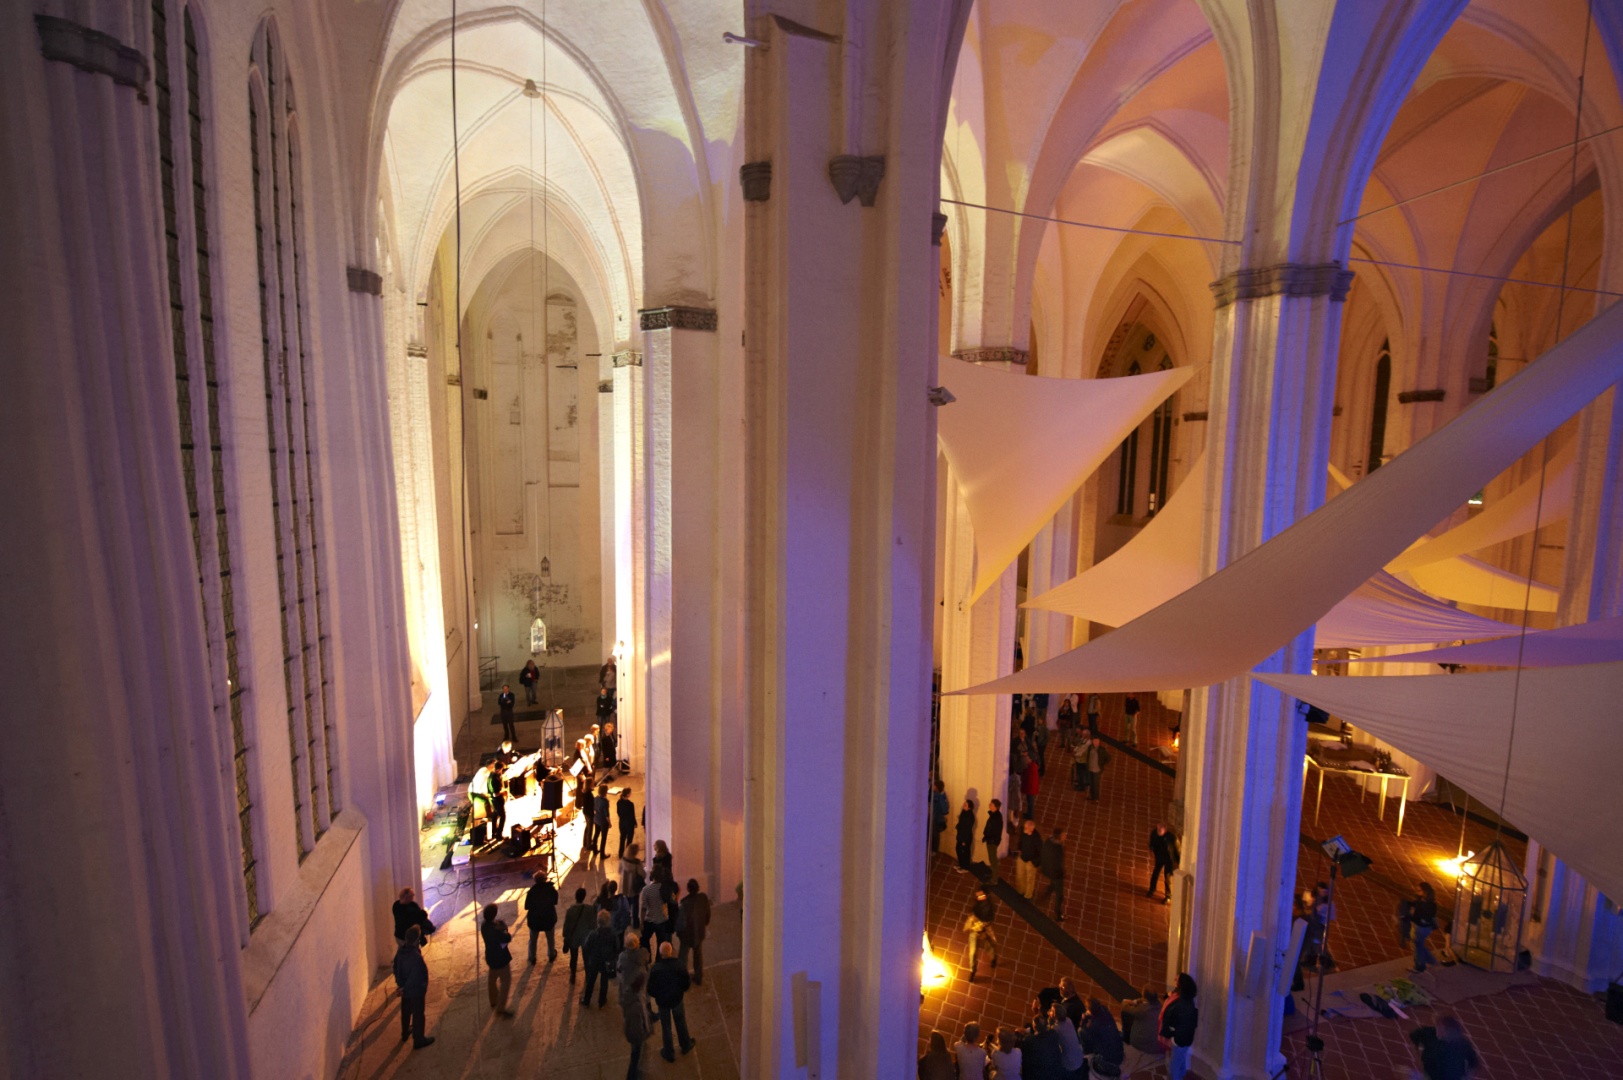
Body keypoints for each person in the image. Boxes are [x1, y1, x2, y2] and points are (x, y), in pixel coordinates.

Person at [647, 940, 697, 1061]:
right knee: (681, 1022)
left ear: (660, 954)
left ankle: (669, 1052)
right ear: (671, 952)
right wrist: (681, 991)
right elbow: (686, 982)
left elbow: (650, 988)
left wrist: (658, 995)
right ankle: (685, 1044)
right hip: (676, 999)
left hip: (663, 1002)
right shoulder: (679, 965)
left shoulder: (656, 969)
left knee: (666, 1027)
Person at [391, 925, 435, 1049]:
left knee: (405, 1011)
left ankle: (405, 1032)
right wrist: (404, 987)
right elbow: (416, 976)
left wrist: (400, 984)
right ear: (416, 940)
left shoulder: (400, 951)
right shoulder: (416, 958)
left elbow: (395, 967)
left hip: (405, 990)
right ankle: (419, 1039)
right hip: (415, 990)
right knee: (418, 1014)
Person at [617, 933, 651, 1079]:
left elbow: (619, 969)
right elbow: (647, 956)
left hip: (630, 999)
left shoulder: (623, 957)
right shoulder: (642, 957)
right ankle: (632, 1073)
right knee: (636, 1048)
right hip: (637, 1013)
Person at [1410, 1013, 1481, 1080]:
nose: (1440, 1031)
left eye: (1444, 1029)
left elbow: (1473, 1063)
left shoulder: (1462, 1044)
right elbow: (1415, 1038)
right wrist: (1417, 1059)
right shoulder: (1430, 1034)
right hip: (1430, 1075)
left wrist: (1466, 1078)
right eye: (1438, 1027)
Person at [1159, 973, 1198, 1080]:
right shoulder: (1182, 997)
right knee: (1179, 1062)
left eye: (1176, 980)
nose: (1174, 980)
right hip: (1179, 1038)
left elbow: (1183, 1024)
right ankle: (1180, 1076)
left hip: (1179, 1040)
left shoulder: (1184, 1004)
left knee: (1173, 1067)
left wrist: (1174, 1038)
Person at [480, 904, 514, 1018]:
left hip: (491, 957)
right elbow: (507, 938)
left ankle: (493, 1000)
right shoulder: (496, 931)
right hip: (501, 958)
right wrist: (504, 929)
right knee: (506, 982)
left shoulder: (484, 926)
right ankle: (501, 1008)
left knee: (492, 979)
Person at [580, 910, 618, 1007]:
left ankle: (587, 1000)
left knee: (591, 981)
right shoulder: (612, 935)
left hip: (594, 960)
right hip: (606, 961)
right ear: (609, 921)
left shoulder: (593, 934)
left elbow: (586, 946)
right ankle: (602, 1000)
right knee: (604, 981)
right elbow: (616, 948)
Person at [678, 878, 711, 983]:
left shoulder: (685, 904)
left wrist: (679, 933)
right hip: (699, 932)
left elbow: (681, 922)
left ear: (688, 889)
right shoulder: (703, 898)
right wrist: (703, 925)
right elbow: (707, 914)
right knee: (698, 956)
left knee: (683, 957)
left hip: (687, 935)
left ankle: (683, 979)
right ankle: (698, 977)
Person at [964, 884, 999, 983]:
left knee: (989, 946)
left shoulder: (990, 906)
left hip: (984, 929)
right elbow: (973, 910)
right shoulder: (978, 901)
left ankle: (993, 958)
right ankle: (973, 971)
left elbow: (990, 919)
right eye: (978, 895)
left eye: (981, 895)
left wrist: (982, 925)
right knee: (973, 951)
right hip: (975, 930)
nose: (979, 896)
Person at [525, 870, 559, 964]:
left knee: (533, 939)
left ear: (535, 880)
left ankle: (532, 957)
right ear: (545, 879)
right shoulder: (551, 889)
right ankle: (551, 954)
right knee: (550, 938)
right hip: (548, 918)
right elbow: (555, 901)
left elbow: (527, 906)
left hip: (535, 919)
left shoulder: (531, 891)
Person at [1082, 998, 1125, 1070]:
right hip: (1119, 1049)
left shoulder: (1094, 1025)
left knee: (1081, 1031)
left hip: (1108, 1057)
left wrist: (1084, 1020)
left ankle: (1088, 1053)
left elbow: (1086, 1030)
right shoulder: (1104, 1009)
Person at [562, 886, 594, 981]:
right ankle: (588, 974)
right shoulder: (589, 909)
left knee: (573, 957)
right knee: (586, 957)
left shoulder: (570, 911)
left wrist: (565, 935)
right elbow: (593, 925)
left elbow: (566, 925)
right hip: (585, 937)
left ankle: (573, 975)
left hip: (573, 937)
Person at [1020, 1012, 1065, 1079]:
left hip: (1038, 1075)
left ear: (1034, 1027)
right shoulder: (1053, 1034)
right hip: (1054, 1072)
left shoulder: (1029, 1041)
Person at [1119, 987, 1162, 1055]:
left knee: (1125, 1014)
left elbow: (1125, 1007)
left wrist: (1125, 1002)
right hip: (1157, 1043)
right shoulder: (1160, 1003)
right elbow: (1146, 1000)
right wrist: (1136, 1001)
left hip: (1144, 1044)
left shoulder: (1142, 1010)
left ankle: (1126, 1038)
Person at [1038, 827, 1067, 921]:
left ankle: (1049, 890)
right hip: (1056, 874)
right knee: (1060, 895)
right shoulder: (1058, 849)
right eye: (1063, 835)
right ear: (1059, 837)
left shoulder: (1048, 841)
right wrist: (1061, 873)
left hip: (1048, 870)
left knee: (1053, 884)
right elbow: (1058, 864)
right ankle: (1058, 914)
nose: (1065, 836)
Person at [641, 866, 671, 951]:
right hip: (662, 919)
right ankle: (658, 960)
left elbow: (643, 908)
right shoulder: (665, 889)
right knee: (661, 943)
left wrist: (641, 922)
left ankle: (648, 957)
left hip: (650, 919)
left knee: (645, 940)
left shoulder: (646, 890)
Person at [1411, 881, 1439, 973]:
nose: (1417, 892)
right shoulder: (1421, 900)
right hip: (1421, 925)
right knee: (1419, 944)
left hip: (1423, 927)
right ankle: (1431, 960)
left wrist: (1417, 917)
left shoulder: (1429, 904)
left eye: (1419, 890)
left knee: (1418, 946)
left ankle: (1420, 966)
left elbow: (1426, 916)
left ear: (1425, 891)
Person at [1052, 1001, 1085, 1078]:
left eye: (1051, 1011)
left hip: (1069, 1064)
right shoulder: (1068, 1020)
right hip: (1079, 1058)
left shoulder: (1056, 1028)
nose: (1049, 1012)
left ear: (1055, 1014)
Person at [1148, 823, 1179, 903]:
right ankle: (1152, 889)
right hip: (1159, 858)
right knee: (1155, 873)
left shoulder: (1172, 838)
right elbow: (1152, 843)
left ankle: (1168, 896)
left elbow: (1177, 851)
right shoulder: (1154, 834)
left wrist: (1178, 862)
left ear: (1165, 830)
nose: (1158, 832)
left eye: (1160, 830)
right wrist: (1152, 849)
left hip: (1169, 860)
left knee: (1167, 877)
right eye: (1158, 830)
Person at [1016, 819, 1042, 899]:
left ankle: (1028, 895)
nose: (1024, 829)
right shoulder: (1023, 832)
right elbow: (1020, 841)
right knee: (1020, 876)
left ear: (1031, 829)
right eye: (1024, 827)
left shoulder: (1037, 839)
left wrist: (1034, 862)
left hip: (1031, 862)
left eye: (1026, 828)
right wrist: (1019, 849)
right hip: (1022, 858)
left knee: (1030, 879)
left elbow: (1041, 853)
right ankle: (1021, 891)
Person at [983, 799, 1005, 882]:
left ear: (995, 807)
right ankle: (993, 873)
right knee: (992, 858)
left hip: (992, 841)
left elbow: (994, 831)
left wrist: (988, 837)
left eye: (991, 804)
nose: (989, 805)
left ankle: (994, 878)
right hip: (991, 840)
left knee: (993, 860)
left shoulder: (996, 818)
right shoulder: (994, 815)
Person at [1084, 736, 1109, 802]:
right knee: (1091, 783)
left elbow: (1108, 758)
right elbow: (1088, 756)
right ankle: (1092, 796)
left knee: (1095, 784)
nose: (1096, 743)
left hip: (1096, 770)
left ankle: (1096, 798)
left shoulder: (1101, 750)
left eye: (1097, 741)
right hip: (1090, 768)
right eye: (1095, 741)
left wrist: (1101, 764)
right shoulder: (1090, 748)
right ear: (1092, 741)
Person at [955, 800, 977, 872]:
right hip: (961, 836)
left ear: (969, 807)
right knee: (958, 850)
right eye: (964, 803)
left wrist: (964, 840)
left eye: (966, 804)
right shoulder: (964, 812)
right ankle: (961, 864)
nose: (964, 804)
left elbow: (967, 829)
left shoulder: (970, 816)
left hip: (965, 837)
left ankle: (965, 867)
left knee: (965, 852)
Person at [930, 780, 949, 854]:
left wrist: (941, 796)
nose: (933, 787)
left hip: (937, 818)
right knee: (931, 834)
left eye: (934, 785)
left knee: (935, 835)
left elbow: (945, 810)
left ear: (937, 787)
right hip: (932, 816)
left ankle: (934, 850)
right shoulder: (934, 794)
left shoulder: (942, 796)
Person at [617, 787, 638, 855]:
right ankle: (627, 853)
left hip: (622, 823)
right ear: (628, 794)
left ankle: (620, 853)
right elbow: (632, 815)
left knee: (622, 838)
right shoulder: (630, 804)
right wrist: (635, 823)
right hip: (629, 824)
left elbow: (618, 812)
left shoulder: (619, 802)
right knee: (629, 839)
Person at [593, 785, 612, 857]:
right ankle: (602, 854)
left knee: (596, 835)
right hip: (603, 821)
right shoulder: (605, 802)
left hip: (596, 819)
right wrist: (609, 823)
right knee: (603, 838)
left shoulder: (595, 798)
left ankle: (595, 850)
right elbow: (607, 814)